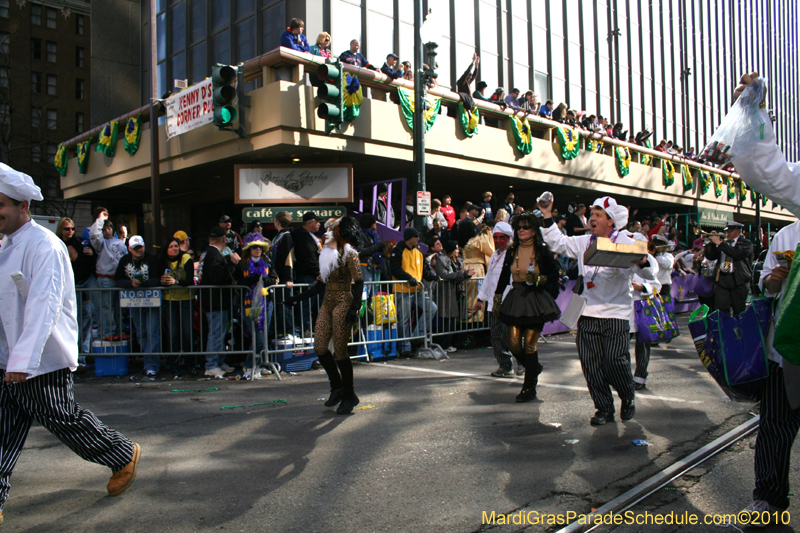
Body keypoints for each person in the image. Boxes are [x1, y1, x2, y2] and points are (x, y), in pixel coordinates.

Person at [0, 166, 140, 525]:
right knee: (2, 428)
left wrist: (23, 359)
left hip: (42, 360)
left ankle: (122, 453)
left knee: (63, 419)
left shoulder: (44, 246)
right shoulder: (5, 246)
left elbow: (42, 306)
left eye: (0, 205)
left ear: (23, 205)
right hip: (8, 358)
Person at [539, 194, 655, 425]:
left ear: (610, 221)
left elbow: (649, 271)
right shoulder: (584, 241)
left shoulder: (626, 239)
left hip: (616, 313)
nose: (592, 218)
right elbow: (559, 243)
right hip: (587, 313)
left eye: (598, 215)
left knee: (614, 361)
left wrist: (642, 261)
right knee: (591, 366)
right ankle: (604, 408)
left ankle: (627, 395)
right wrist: (546, 215)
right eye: (591, 214)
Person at [286, 217, 364, 414]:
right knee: (320, 346)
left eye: (332, 231)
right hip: (327, 302)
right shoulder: (326, 255)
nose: (327, 234)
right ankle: (337, 387)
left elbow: (359, 282)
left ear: (340, 235)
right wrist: (297, 298)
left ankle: (349, 395)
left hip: (344, 301)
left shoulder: (350, 255)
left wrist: (354, 308)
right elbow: (320, 285)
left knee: (340, 351)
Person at [493, 212, 562, 402]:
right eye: (519, 227)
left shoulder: (542, 250)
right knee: (514, 344)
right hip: (516, 298)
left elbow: (555, 272)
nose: (522, 230)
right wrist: (497, 298)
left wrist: (540, 279)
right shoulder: (511, 250)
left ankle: (529, 387)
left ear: (533, 230)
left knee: (530, 344)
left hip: (536, 300)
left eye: (526, 227)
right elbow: (503, 276)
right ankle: (534, 368)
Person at [114, 235, 161, 377]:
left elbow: (157, 278)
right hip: (134, 302)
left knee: (152, 332)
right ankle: (148, 362)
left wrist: (143, 284)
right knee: (142, 333)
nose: (138, 250)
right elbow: (118, 279)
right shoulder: (124, 260)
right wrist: (130, 284)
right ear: (129, 249)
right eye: (135, 248)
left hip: (152, 301)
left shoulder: (152, 259)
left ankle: (151, 365)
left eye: (140, 247)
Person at [234, 233, 277, 379]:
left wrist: (265, 280)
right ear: (249, 249)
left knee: (264, 335)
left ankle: (259, 364)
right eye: (254, 247)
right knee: (258, 336)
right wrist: (249, 281)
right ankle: (249, 365)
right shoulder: (243, 263)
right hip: (249, 303)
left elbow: (275, 278)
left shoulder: (267, 261)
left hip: (266, 302)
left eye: (260, 247)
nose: (258, 249)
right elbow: (236, 280)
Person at [475, 222, 516, 377]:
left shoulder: (514, 255)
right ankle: (505, 366)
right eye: (496, 238)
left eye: (502, 238)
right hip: (494, 304)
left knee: (510, 336)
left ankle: (523, 362)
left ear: (509, 238)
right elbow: (488, 279)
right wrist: (480, 298)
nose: (499, 241)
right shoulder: (494, 256)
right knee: (496, 336)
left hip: (509, 303)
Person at [391, 227, 438, 357]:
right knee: (403, 320)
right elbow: (395, 269)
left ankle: (416, 337)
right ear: (410, 238)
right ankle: (405, 347)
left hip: (417, 289)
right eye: (416, 236)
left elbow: (424, 269)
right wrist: (408, 278)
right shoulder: (398, 250)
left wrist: (431, 276)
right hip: (403, 290)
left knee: (432, 308)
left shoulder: (419, 251)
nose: (418, 239)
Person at [201, 226, 240, 378]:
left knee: (221, 332)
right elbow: (217, 277)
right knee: (216, 333)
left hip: (218, 301)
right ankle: (211, 364)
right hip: (215, 301)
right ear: (224, 239)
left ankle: (218, 360)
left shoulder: (211, 253)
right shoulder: (213, 254)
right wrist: (232, 263)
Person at [57, 216, 95, 358]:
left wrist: (91, 254)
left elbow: (88, 264)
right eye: (67, 229)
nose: (70, 231)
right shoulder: (57, 243)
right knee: (71, 321)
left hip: (84, 283)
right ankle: (71, 356)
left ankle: (82, 356)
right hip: (68, 286)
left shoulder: (80, 243)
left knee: (86, 318)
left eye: (72, 228)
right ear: (61, 230)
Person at [629, 234, 661, 391]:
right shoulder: (623, 257)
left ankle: (640, 377)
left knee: (642, 343)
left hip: (642, 307)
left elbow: (656, 285)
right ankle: (622, 376)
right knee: (619, 345)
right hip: (624, 308)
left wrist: (642, 288)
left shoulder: (649, 259)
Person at [89, 209, 128, 339]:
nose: (107, 230)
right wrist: (100, 220)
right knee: (107, 308)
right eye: (105, 229)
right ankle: (108, 332)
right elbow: (94, 234)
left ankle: (120, 330)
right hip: (106, 278)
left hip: (118, 279)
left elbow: (124, 256)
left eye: (109, 228)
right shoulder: (101, 243)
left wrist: (123, 237)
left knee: (118, 308)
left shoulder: (118, 242)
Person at [159, 237, 195, 373]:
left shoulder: (186, 258)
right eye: (171, 247)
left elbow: (190, 280)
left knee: (187, 333)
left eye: (176, 246)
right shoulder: (163, 260)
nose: (174, 249)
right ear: (166, 249)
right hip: (169, 300)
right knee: (173, 333)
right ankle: (173, 365)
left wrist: (176, 282)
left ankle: (190, 363)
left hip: (186, 299)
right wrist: (161, 280)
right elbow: (157, 277)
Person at [704, 221, 752, 316]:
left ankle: (738, 329)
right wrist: (712, 244)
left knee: (739, 310)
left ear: (738, 231)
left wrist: (720, 244)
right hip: (722, 279)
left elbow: (736, 253)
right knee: (721, 308)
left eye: (730, 230)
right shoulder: (723, 243)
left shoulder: (746, 243)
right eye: (726, 230)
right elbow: (711, 256)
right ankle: (724, 329)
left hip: (739, 280)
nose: (727, 233)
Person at [432, 241, 474, 353]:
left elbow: (459, 273)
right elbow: (444, 275)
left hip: (456, 292)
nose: (458, 250)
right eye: (456, 249)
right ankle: (444, 344)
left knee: (452, 318)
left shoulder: (458, 261)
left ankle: (448, 342)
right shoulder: (441, 260)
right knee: (447, 318)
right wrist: (461, 274)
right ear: (451, 250)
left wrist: (466, 274)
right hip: (446, 293)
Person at [293, 211, 322, 335]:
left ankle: (309, 329)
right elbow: (309, 257)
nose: (319, 224)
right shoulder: (303, 236)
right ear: (310, 223)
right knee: (306, 305)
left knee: (311, 305)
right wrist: (317, 273)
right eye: (317, 222)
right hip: (307, 277)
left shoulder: (309, 236)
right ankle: (303, 330)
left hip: (310, 276)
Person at [462, 224, 494, 322]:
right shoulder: (478, 240)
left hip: (464, 268)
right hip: (476, 270)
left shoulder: (463, 241)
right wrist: (487, 231)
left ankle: (466, 319)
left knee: (468, 295)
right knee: (476, 294)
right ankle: (476, 320)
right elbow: (491, 250)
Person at [356, 214, 388, 300]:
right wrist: (376, 247)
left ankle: (371, 311)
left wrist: (382, 248)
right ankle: (364, 312)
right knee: (366, 291)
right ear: (369, 223)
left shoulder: (375, 235)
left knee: (374, 292)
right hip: (365, 266)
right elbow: (360, 251)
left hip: (376, 266)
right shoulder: (361, 235)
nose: (376, 224)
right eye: (374, 222)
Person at [651, 234, 675, 300]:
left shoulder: (668, 255)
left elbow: (667, 265)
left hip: (664, 285)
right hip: (653, 285)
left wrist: (657, 256)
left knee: (665, 307)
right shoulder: (651, 256)